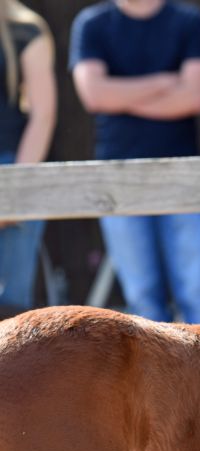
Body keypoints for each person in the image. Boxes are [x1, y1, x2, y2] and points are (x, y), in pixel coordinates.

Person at [69, 0, 200, 325]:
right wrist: (164, 83)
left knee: (195, 291)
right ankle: (155, 377)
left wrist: (120, 98)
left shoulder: (187, 20)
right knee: (141, 296)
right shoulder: (93, 23)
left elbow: (194, 97)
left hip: (182, 172)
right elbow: (94, 96)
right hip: (118, 176)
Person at [0, 0, 56, 315]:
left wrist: (16, 193)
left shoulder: (25, 29)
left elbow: (43, 114)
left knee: (10, 307)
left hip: (12, 166)